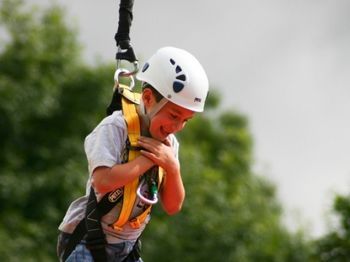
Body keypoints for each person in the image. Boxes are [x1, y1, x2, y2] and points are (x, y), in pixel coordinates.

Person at [57, 46, 209, 262]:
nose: (178, 126)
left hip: (126, 246)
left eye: (186, 120)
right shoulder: (115, 128)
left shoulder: (169, 145)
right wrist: (148, 159)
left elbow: (173, 206)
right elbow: (102, 181)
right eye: (174, 115)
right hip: (88, 239)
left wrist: (172, 168)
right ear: (147, 98)